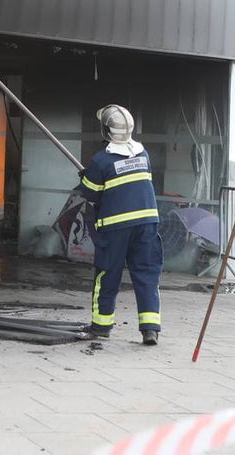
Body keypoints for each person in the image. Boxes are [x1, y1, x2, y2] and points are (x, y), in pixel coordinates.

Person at [79, 104, 163, 345]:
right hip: (147, 224)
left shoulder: (101, 160)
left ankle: (101, 327)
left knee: (108, 274)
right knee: (147, 275)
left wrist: (86, 178)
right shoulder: (143, 154)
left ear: (106, 130)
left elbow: (91, 194)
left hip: (116, 227)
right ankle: (150, 329)